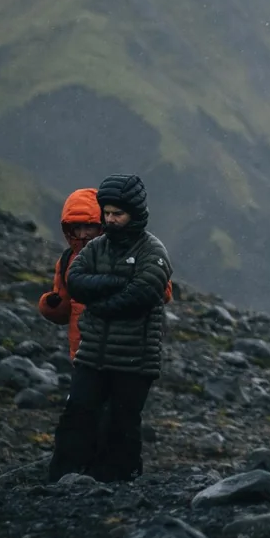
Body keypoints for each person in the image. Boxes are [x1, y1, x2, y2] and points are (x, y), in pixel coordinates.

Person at [49, 174, 171, 481]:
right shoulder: (95, 248)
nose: (111, 220)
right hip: (92, 355)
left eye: (118, 213)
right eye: (107, 213)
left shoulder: (152, 251)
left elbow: (144, 293)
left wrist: (99, 304)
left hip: (134, 359)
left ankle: (118, 484)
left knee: (122, 423)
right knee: (77, 415)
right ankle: (62, 480)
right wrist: (117, 283)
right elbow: (75, 281)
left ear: (135, 213)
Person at [36, 188, 103, 359]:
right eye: (76, 228)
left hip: (118, 355)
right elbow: (65, 312)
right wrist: (51, 305)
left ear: (102, 225)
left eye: (89, 227)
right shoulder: (67, 261)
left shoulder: (123, 254)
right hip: (81, 355)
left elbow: (159, 292)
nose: (82, 234)